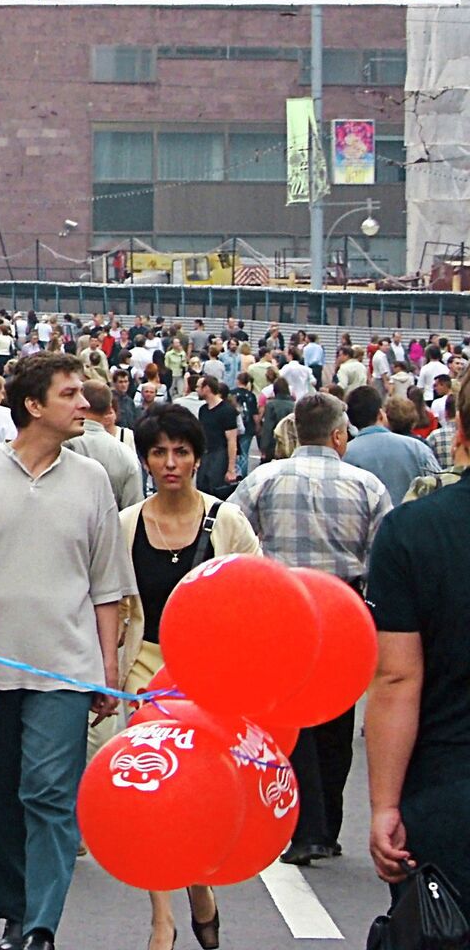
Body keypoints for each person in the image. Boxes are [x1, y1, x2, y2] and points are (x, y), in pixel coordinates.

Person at [0, 352, 133, 950]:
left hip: (66, 670)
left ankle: (42, 926)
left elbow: (106, 587)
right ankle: (15, 913)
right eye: (70, 395)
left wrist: (107, 668)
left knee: (47, 793)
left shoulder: (92, 479)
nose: (83, 406)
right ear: (33, 405)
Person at [106, 405, 260, 950]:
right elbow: (110, 605)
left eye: (181, 452)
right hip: (144, 670)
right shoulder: (126, 524)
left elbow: (254, 598)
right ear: (145, 458)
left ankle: (199, 883)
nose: (170, 463)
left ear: (198, 457)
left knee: (195, 794)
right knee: (149, 792)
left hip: (207, 677)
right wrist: (108, 672)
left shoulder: (228, 522)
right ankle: (161, 919)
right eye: (158, 452)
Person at [229, 391, 393, 866]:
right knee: (336, 721)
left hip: (280, 611)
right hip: (344, 611)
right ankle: (329, 826)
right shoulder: (366, 485)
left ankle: (302, 823)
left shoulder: (263, 479)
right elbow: (379, 555)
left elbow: (235, 535)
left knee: (288, 718)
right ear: (338, 434)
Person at [363, 408, 470, 912]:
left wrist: (385, 803)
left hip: (446, 784)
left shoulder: (411, 530)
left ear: (461, 434)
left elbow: (397, 678)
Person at [341, 384, 440, 506]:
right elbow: (439, 486)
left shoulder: (344, 455)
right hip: (413, 520)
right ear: (380, 414)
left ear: (350, 420)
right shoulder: (417, 448)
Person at [73, 381, 147, 511]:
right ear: (108, 409)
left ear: (79, 404)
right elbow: (133, 510)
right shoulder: (127, 456)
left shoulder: (59, 445)